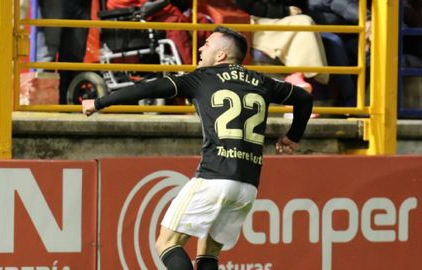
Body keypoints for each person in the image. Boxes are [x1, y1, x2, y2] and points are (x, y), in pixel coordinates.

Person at [82, 26, 313, 269]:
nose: (201, 48)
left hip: (214, 177)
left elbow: (150, 88)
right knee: (209, 253)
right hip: (247, 185)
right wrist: (293, 136)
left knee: (167, 243)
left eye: (208, 45)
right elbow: (305, 98)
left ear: (221, 55)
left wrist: (99, 102)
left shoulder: (202, 78)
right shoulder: (262, 81)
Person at [234, 0, 329, 88]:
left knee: (307, 23)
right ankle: (298, 75)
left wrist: (288, 10)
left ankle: (298, 76)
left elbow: (300, 5)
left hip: (281, 18)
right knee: (304, 22)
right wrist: (285, 11)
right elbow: (248, 6)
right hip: (252, 21)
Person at [36, 0, 91, 104]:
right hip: (54, 4)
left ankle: (67, 104)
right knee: (47, 56)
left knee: (73, 56)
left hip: (80, 5)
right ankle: (43, 105)